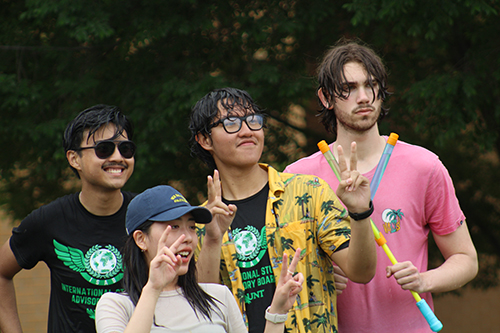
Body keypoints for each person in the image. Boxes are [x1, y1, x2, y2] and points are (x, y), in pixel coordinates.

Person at [284, 39, 478, 332]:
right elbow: (282, 268)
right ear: (325, 98)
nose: (363, 97)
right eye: (348, 89)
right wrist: (315, 277)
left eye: (371, 85)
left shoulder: (424, 166)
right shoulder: (298, 178)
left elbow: (466, 259)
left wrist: (425, 279)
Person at [189, 87, 377, 333]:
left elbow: (361, 272)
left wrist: (360, 214)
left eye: (253, 120)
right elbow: (202, 311)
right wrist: (213, 240)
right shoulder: (199, 222)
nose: (247, 131)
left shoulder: (308, 192)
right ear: (204, 140)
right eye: (231, 122)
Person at [0, 105, 136, 333]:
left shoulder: (148, 216)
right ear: (74, 159)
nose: (118, 157)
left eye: (126, 148)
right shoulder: (49, 220)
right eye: (103, 149)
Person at [95, 185, 304, 333]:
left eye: (192, 227)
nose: (187, 237)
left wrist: (277, 311)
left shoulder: (218, 297)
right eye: (174, 226)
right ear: (141, 239)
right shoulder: (115, 305)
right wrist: (153, 287)